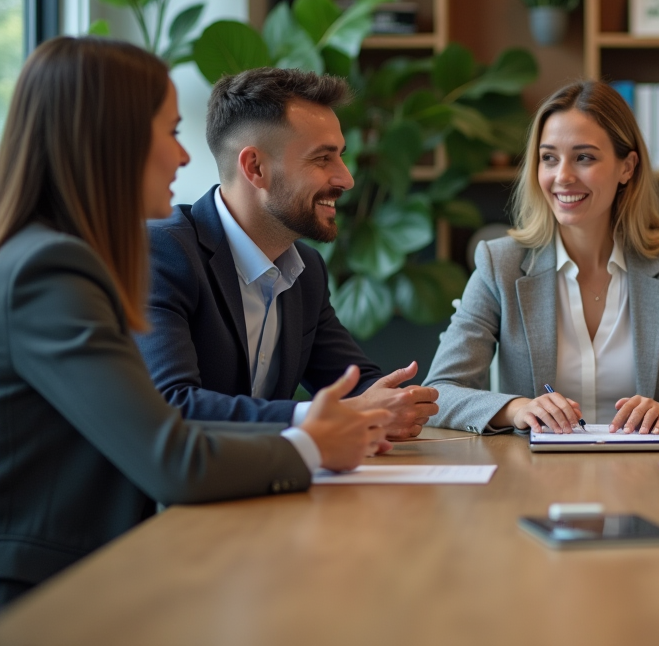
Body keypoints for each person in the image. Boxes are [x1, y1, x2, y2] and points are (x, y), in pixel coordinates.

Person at [0, 38, 390, 608]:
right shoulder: (51, 270)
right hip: (47, 596)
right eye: (171, 132)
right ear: (112, 139)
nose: (184, 158)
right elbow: (172, 455)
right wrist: (312, 443)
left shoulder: (62, 257)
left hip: (108, 570)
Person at [134, 68, 437, 440]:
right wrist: (325, 416)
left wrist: (393, 403)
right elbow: (173, 405)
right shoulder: (163, 253)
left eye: (340, 156)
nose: (346, 179)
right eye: (322, 159)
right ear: (255, 168)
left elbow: (354, 384)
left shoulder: (307, 270)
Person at [422, 79, 659, 435]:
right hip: (534, 467)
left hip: (647, 465)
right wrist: (517, 408)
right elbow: (439, 394)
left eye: (584, 157)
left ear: (627, 167)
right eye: (549, 158)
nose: (563, 176)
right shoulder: (500, 263)